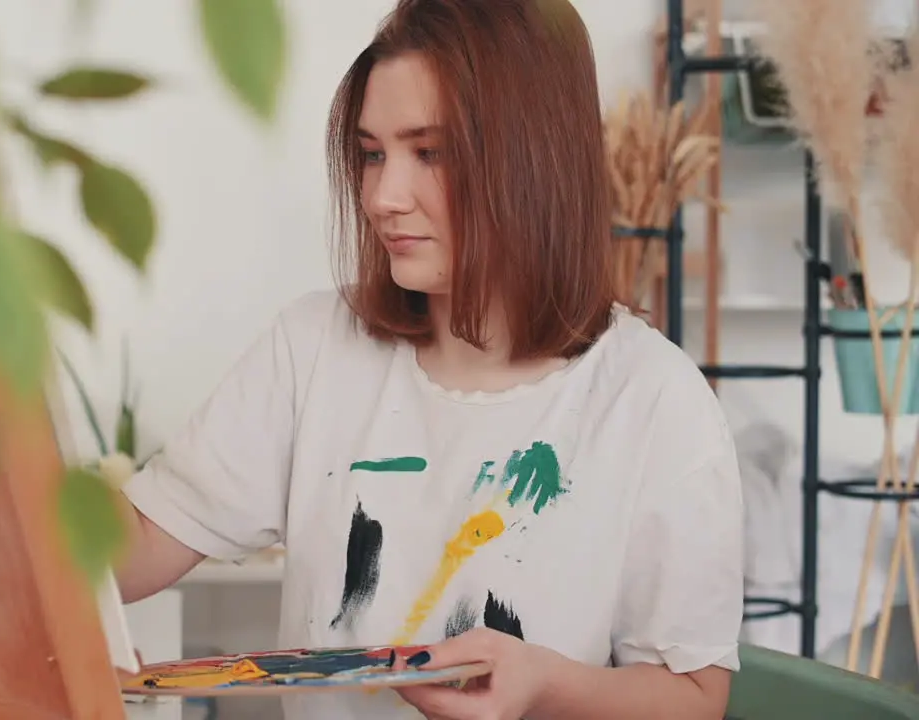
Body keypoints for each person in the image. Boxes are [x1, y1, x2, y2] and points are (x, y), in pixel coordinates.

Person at [115, 0, 743, 717]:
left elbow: (694, 698)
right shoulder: (314, 346)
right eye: (373, 154)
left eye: (430, 153)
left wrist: (543, 685)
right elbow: (133, 546)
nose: (383, 196)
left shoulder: (654, 399)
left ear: (534, 156)